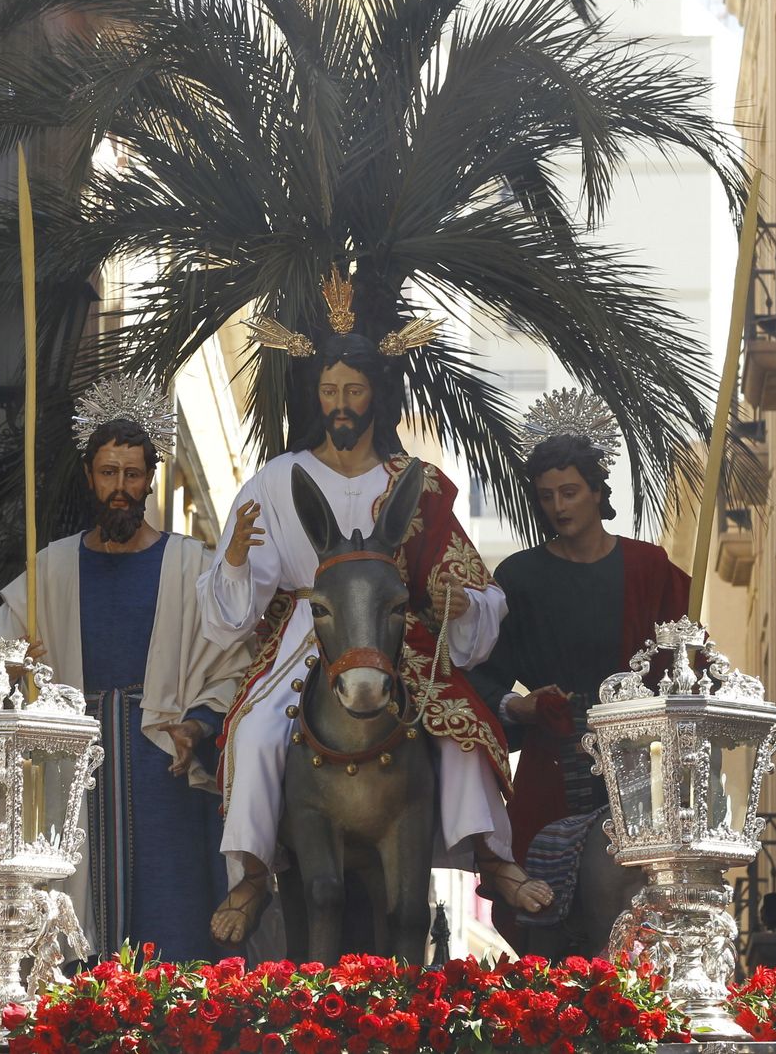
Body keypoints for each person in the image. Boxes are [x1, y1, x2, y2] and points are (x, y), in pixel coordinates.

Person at [199, 270, 554, 949]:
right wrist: (240, 559)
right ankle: (250, 870)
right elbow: (231, 610)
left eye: (353, 391)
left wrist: (456, 603)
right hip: (310, 634)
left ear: (375, 396)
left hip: (396, 636)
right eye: (329, 391)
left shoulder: (412, 482)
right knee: (254, 734)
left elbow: (473, 584)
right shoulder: (279, 480)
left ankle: (491, 856)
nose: (340, 404)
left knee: (457, 731)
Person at [0, 376, 252, 963]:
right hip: (71, 771)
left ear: (150, 478)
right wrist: (18, 670)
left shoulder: (188, 566)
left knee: (172, 916)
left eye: (132, 474)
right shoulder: (51, 569)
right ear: (90, 478)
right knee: (72, 919)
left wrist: (197, 726)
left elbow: (233, 669)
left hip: (163, 766)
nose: (120, 488)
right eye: (108, 473)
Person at [467, 387, 691, 950]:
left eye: (570, 492)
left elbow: (685, 656)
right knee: (539, 909)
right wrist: (519, 705)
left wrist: (679, 673)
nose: (559, 506)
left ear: (597, 492)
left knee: (640, 907)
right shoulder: (519, 577)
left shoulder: (647, 566)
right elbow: (477, 673)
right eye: (546, 497)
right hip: (554, 760)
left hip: (638, 760)